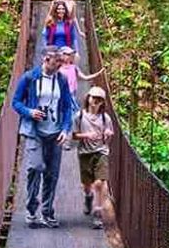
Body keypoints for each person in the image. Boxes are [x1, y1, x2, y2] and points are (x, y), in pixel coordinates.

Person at [11, 45, 73, 227]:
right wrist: (29, 112)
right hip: (35, 132)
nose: (62, 64)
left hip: (55, 133)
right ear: (46, 59)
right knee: (36, 167)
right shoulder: (29, 78)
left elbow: (67, 106)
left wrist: (65, 129)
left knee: (52, 174)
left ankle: (47, 211)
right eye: (58, 61)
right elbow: (15, 102)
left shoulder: (61, 79)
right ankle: (31, 209)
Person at [73, 87, 114, 229]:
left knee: (100, 182)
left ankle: (98, 212)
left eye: (99, 99)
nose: (95, 101)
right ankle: (88, 197)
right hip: (85, 153)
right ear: (88, 98)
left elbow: (110, 133)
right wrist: (86, 135)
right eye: (93, 98)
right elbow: (74, 135)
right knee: (87, 184)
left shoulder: (105, 118)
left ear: (103, 102)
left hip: (101, 152)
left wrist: (108, 133)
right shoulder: (79, 116)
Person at [57, 46, 103, 113]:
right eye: (68, 55)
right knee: (71, 108)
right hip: (63, 92)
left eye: (71, 55)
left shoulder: (74, 67)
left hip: (72, 91)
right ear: (62, 55)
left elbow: (85, 77)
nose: (70, 56)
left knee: (69, 108)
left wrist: (97, 74)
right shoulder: (58, 69)